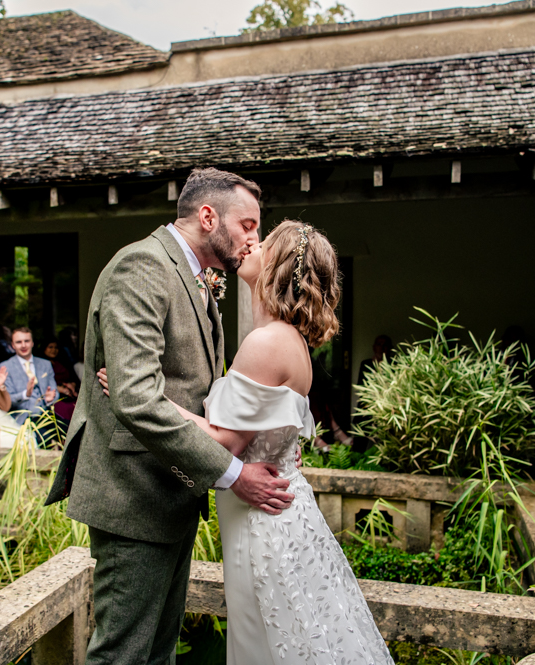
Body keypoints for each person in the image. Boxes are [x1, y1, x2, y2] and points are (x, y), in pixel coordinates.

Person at [95, 221, 393, 664]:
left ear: (281, 266)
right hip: (273, 514)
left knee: (265, 644)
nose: (252, 242)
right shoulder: (286, 340)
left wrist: (144, 396)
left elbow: (223, 442)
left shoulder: (268, 342)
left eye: (265, 240)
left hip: (262, 525)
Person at [45, 168, 296, 665]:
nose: (254, 239)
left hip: (173, 492)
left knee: (158, 653)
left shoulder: (201, 279)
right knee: (123, 655)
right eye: (247, 225)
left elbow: (196, 388)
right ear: (208, 217)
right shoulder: (141, 266)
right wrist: (232, 474)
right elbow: (137, 398)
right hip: (133, 495)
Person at [0, 327, 57, 424]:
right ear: (13, 345)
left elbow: (55, 391)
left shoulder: (45, 364)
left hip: (47, 418)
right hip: (21, 420)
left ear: (32, 343)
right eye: (18, 342)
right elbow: (7, 400)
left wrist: (50, 399)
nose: (23, 345)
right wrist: (26, 394)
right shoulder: (5, 367)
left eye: (27, 341)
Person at [42, 338, 77, 421]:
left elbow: (74, 378)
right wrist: (58, 389)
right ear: (44, 348)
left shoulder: (63, 361)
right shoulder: (41, 365)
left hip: (70, 394)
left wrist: (72, 385)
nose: (54, 350)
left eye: (56, 347)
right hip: (54, 396)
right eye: (50, 347)